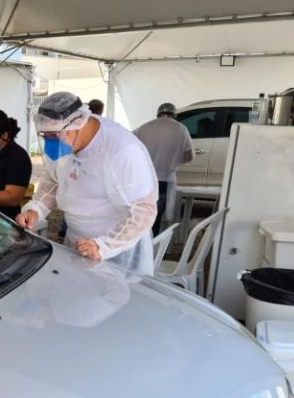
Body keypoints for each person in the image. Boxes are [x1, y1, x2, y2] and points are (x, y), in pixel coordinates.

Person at [16, 91, 158, 275]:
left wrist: (104, 246)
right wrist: (36, 208)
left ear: (77, 124)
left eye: (54, 135)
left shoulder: (122, 150)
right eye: (45, 136)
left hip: (116, 250)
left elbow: (144, 210)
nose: (50, 143)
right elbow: (54, 179)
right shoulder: (65, 142)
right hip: (78, 242)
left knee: (118, 292)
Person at [134, 102, 194, 235]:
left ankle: (139, 241)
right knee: (156, 216)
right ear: (174, 115)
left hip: (143, 178)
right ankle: (153, 242)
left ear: (158, 115)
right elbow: (189, 156)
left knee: (140, 214)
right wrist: (177, 161)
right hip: (165, 179)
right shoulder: (181, 128)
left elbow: (131, 148)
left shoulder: (145, 127)